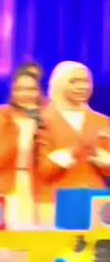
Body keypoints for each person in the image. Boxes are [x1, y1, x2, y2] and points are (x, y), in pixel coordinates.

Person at [36, 61, 110, 226]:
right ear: (60, 84)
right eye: (74, 81)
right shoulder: (44, 120)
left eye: (86, 81)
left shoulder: (102, 121)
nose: (82, 87)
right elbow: (43, 170)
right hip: (56, 201)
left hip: (97, 201)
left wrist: (102, 159)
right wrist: (70, 153)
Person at [0, 68, 44, 228]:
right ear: (11, 92)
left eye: (31, 89)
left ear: (39, 92)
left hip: (38, 186)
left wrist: (38, 122)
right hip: (7, 182)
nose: (26, 94)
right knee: (9, 230)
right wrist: (18, 129)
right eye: (19, 89)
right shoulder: (0, 115)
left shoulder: (47, 117)